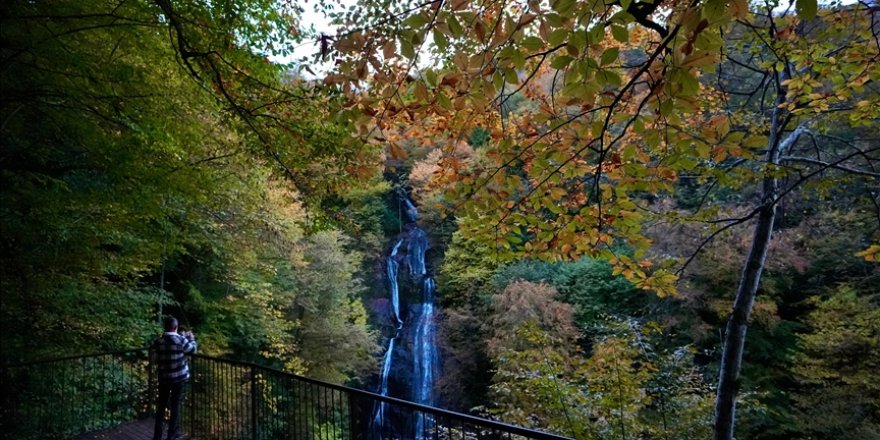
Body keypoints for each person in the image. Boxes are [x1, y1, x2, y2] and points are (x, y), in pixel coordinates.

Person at [151, 316, 197, 440]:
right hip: (178, 379)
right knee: (175, 406)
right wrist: (191, 339)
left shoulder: (158, 341)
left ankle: (157, 437)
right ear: (175, 327)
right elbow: (193, 349)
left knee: (161, 407)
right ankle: (171, 435)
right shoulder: (181, 340)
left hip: (163, 378)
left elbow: (157, 350)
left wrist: (181, 335)